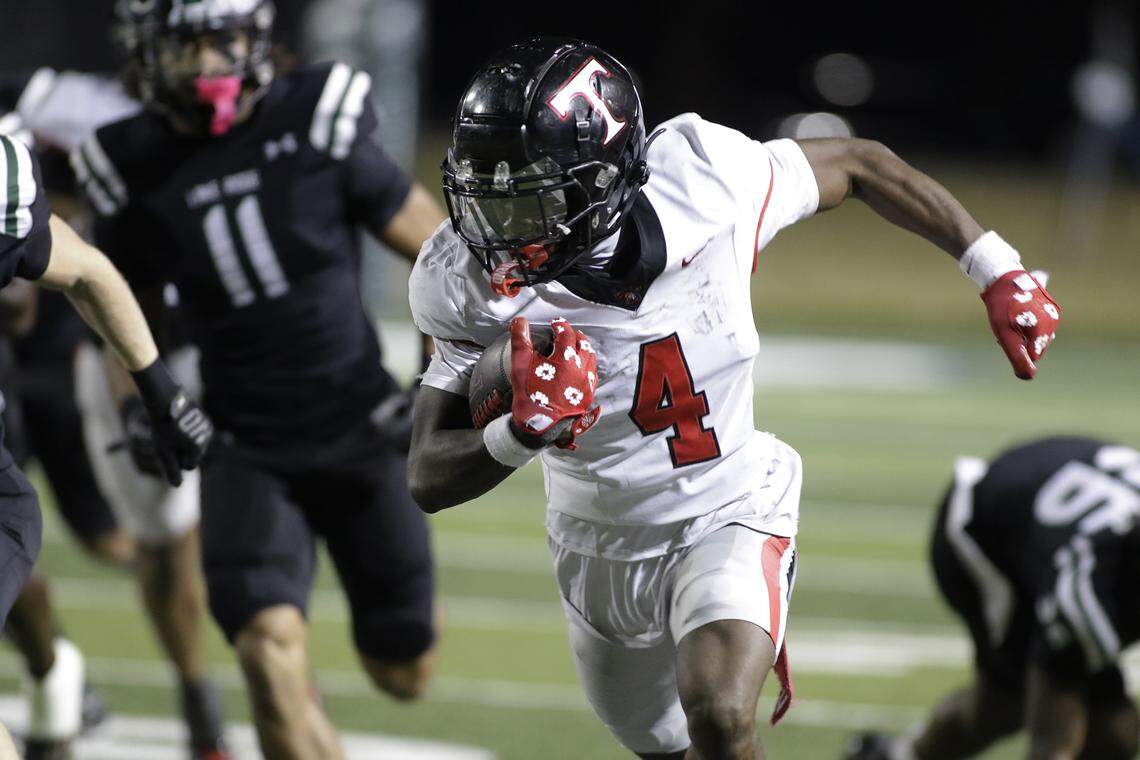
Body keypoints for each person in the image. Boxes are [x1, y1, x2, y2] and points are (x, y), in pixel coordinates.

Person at [406, 37, 1062, 759]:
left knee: (719, 715)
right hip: (597, 542)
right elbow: (427, 474)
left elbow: (860, 164)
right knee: (666, 747)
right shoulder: (460, 280)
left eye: (533, 197)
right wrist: (519, 435)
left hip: (730, 503)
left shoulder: (705, 178)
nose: (501, 233)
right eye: (490, 195)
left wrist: (994, 265)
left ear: (605, 177)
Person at [75, 2, 445, 756]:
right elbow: (122, 315)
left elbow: (442, 261)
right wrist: (140, 409)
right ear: (149, 56)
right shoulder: (131, 162)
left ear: (257, 40)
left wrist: (440, 378)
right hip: (245, 446)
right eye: (190, 47)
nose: (212, 65)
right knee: (264, 653)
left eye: (227, 41)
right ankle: (290, 698)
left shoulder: (315, 118)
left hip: (360, 424)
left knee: (403, 669)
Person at [5, 69, 230, 758]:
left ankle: (187, 661)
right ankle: (54, 674)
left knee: (112, 538)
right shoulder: (46, 104)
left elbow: (76, 277)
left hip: (59, 368)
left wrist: (157, 391)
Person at [846, 436, 1140, 760]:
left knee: (1117, 733)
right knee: (1008, 701)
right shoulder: (1088, 596)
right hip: (983, 530)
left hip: (1048, 514)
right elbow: (1052, 747)